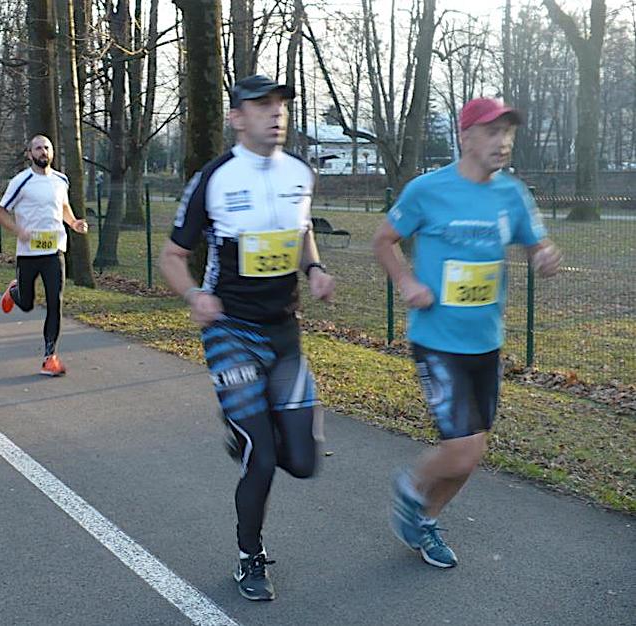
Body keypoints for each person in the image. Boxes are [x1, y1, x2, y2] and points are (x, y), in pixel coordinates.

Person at [158, 75, 335, 602]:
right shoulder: (214, 179)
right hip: (230, 330)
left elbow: (302, 231)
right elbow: (172, 256)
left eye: (280, 104)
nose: (275, 113)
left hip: (284, 333)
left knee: (302, 461)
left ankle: (246, 426)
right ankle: (249, 556)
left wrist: (315, 268)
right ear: (237, 117)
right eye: (261, 105)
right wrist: (195, 296)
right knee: (261, 456)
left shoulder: (300, 173)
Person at [372, 97, 562, 569]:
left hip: (486, 343)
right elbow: (384, 240)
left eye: (508, 133)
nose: (503, 142)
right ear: (466, 137)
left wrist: (543, 256)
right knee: (460, 451)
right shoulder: (427, 190)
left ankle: (426, 522)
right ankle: (411, 487)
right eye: (493, 132)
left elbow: (536, 243)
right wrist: (407, 282)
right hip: (437, 340)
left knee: (471, 455)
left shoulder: (512, 194)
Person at [0, 134, 89, 376]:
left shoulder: (61, 180)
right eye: (38, 148)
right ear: (29, 154)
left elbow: (63, 207)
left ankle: (50, 357)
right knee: (27, 304)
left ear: (52, 152)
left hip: (54, 251)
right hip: (28, 253)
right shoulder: (21, 181)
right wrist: (19, 231)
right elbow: (0, 213)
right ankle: (14, 291)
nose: (43, 152)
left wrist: (74, 223)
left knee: (55, 302)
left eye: (47, 147)